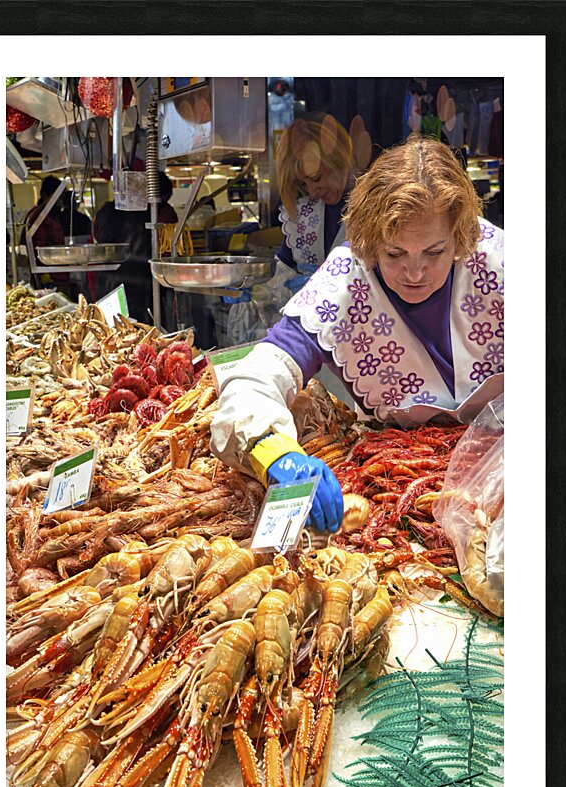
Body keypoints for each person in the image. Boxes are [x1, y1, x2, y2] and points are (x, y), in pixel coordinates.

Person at [210, 134, 504, 533]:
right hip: (403, 486)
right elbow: (256, 376)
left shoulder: (502, 261)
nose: (414, 273)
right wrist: (273, 450)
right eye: (394, 254)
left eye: (434, 253)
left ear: (460, 236)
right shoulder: (344, 281)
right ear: (368, 244)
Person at [223, 113, 357, 340]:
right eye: (303, 184)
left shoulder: (375, 208)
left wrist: (333, 286)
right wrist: (253, 287)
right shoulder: (304, 215)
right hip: (313, 344)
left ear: (338, 157)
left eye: (316, 177)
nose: (313, 191)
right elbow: (279, 277)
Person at [92, 172, 178, 322]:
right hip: (143, 287)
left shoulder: (105, 211)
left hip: (108, 284)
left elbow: (99, 240)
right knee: (143, 334)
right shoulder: (160, 213)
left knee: (109, 331)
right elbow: (166, 251)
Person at [21, 175, 71, 291]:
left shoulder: (52, 215)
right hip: (48, 278)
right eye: (57, 197)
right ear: (45, 195)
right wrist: (46, 279)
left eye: (61, 196)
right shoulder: (38, 216)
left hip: (60, 273)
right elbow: (37, 249)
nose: (61, 200)